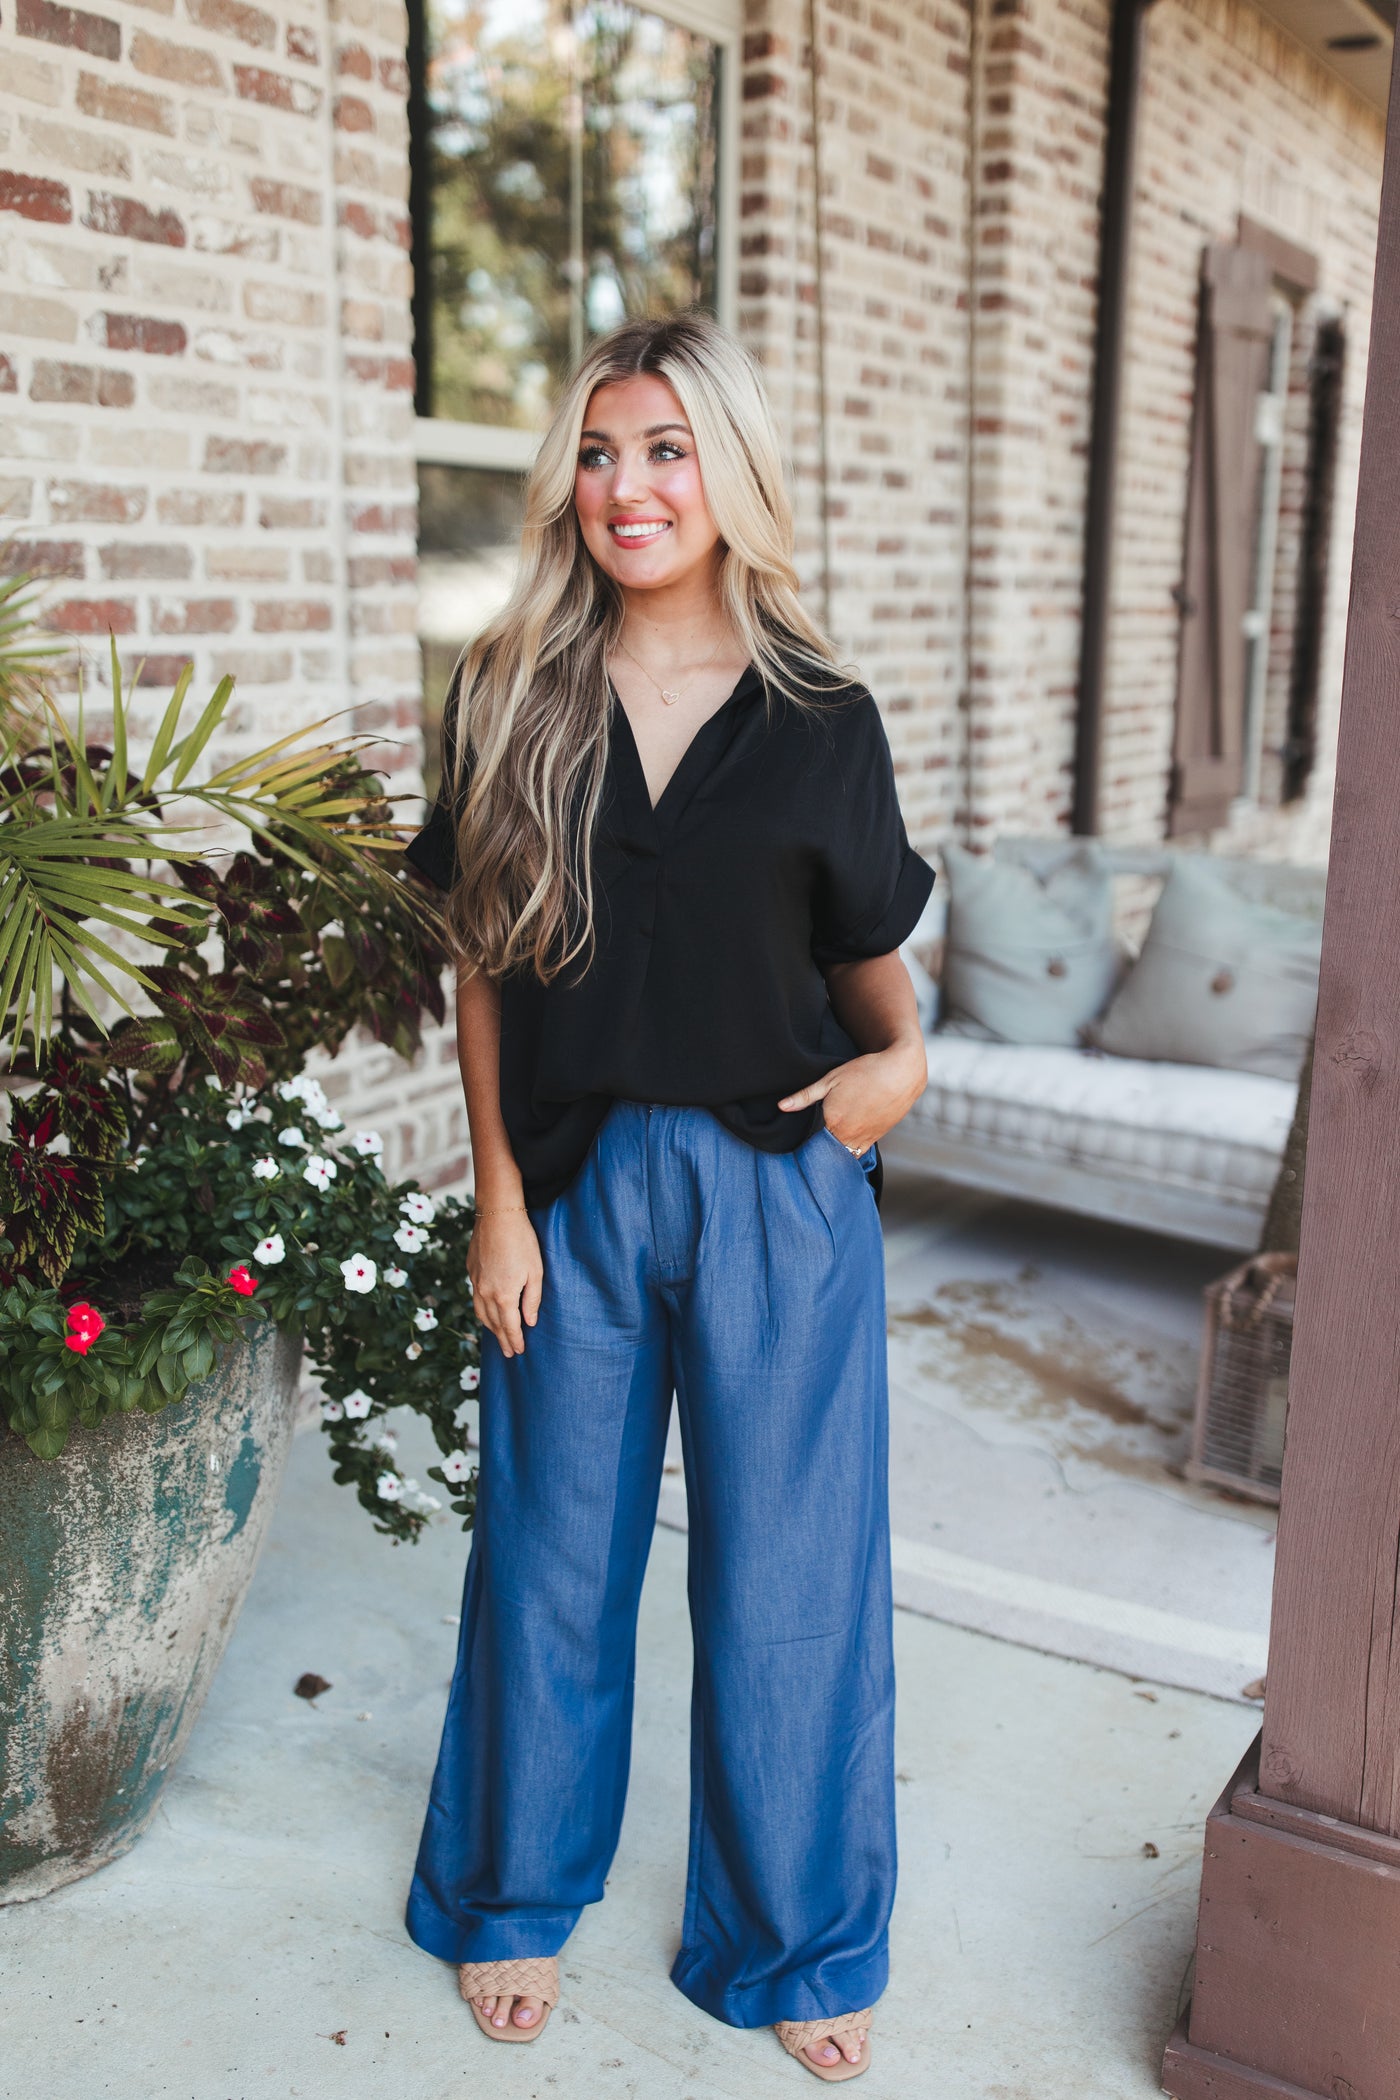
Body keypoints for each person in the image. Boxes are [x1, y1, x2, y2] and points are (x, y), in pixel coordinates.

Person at [403, 310, 933, 2084]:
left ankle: (798, 1941)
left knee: (794, 1583)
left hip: (785, 1181)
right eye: (606, 450)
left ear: (730, 472)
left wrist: (903, 1075)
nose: (631, 487)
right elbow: (482, 964)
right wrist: (495, 1198)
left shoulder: (820, 719)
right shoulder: (510, 693)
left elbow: (874, 973)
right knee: (552, 1557)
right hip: (573, 1180)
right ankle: (511, 1898)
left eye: (669, 450)